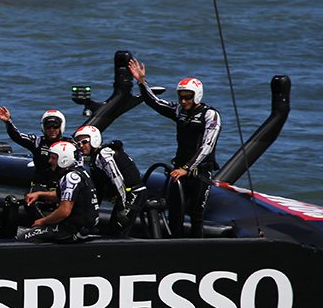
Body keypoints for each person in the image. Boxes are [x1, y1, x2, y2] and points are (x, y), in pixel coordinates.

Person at [128, 58, 221, 238]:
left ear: (197, 96)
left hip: (199, 173)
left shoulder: (210, 115)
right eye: (181, 97)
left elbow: (207, 147)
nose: (184, 101)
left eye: (188, 97)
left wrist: (187, 169)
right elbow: (155, 102)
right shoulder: (179, 110)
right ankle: (174, 247)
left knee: (196, 215)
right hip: (179, 171)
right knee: (174, 213)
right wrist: (141, 82)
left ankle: (197, 250)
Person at [18, 141, 99, 243]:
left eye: (53, 158)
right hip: (85, 227)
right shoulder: (80, 172)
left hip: (72, 230)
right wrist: (39, 194)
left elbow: (64, 211)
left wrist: (42, 221)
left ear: (63, 159)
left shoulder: (70, 177)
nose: (49, 161)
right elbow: (65, 195)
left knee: (23, 238)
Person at [0, 106, 67, 220]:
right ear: (43, 127)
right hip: (41, 185)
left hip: (62, 186)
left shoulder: (70, 144)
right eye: (48, 127)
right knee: (29, 199)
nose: (52, 129)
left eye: (55, 126)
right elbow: (18, 137)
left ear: (61, 127)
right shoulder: (37, 142)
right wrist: (8, 122)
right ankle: (41, 225)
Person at [74, 125, 146, 236]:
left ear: (94, 139)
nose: (81, 146)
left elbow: (117, 179)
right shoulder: (95, 159)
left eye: (84, 142)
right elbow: (98, 187)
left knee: (119, 228)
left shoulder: (104, 154)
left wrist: (122, 206)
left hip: (133, 193)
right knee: (113, 228)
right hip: (125, 195)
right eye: (78, 144)